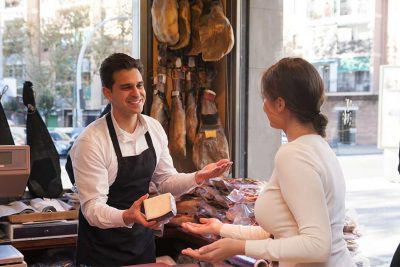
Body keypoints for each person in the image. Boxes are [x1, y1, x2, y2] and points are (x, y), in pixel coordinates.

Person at [181, 57, 356, 267]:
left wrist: (239, 247)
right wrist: (221, 229)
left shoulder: (294, 154)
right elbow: (285, 231)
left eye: (265, 98)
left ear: (280, 104)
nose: (263, 105)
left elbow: (318, 245)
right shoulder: (318, 146)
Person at [70, 53, 232, 266]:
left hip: (141, 246)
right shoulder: (91, 141)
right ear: (107, 93)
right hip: (101, 253)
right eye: (126, 87)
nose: (136, 93)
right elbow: (92, 209)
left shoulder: (153, 128)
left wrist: (198, 176)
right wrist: (128, 216)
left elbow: (165, 182)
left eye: (139, 85)